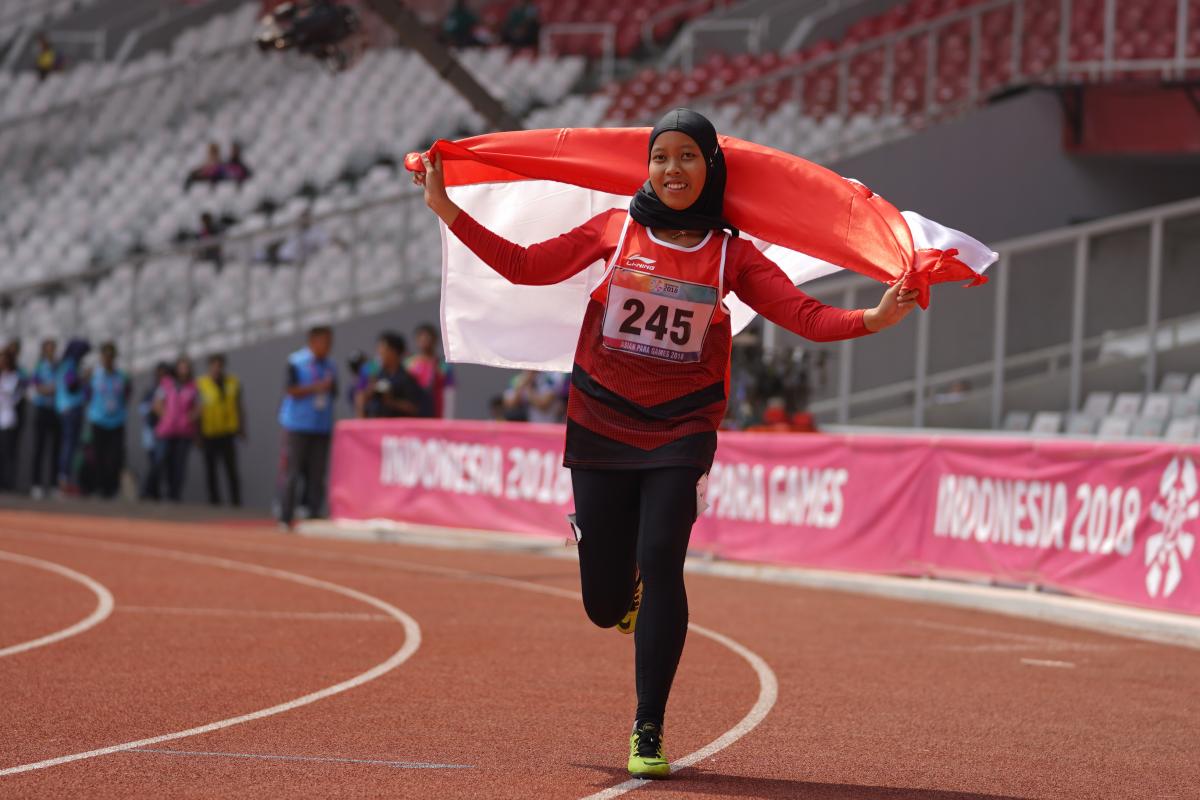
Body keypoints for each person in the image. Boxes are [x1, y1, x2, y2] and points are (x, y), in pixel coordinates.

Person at [414, 108, 919, 779]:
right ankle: (602, 557)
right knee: (603, 606)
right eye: (660, 158)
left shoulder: (732, 252)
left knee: (663, 562)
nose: (672, 170)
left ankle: (647, 725)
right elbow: (528, 267)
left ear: (711, 166)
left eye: (687, 157)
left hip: (682, 426)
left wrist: (873, 316)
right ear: (646, 167)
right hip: (600, 416)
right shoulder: (615, 228)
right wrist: (448, 208)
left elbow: (802, 314)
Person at [278, 325, 338, 528]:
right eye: (324, 341)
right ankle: (285, 516)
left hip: (321, 425)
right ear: (313, 341)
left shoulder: (331, 364)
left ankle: (313, 513)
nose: (328, 346)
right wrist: (315, 388)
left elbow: (334, 392)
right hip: (297, 425)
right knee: (292, 472)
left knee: (317, 473)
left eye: (330, 342)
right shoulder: (296, 361)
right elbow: (290, 389)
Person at [196, 353, 245, 506]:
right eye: (214, 365)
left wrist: (242, 427)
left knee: (231, 469)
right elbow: (197, 410)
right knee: (211, 470)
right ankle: (214, 503)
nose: (217, 368)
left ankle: (236, 502)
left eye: (219, 365)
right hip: (209, 432)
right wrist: (197, 434)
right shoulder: (201, 384)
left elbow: (239, 406)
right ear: (209, 366)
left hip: (228, 432)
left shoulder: (233, 382)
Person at [85, 342, 131, 499]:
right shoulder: (94, 375)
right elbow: (87, 394)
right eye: (105, 356)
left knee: (115, 457)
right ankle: (99, 487)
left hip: (117, 421)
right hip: (98, 420)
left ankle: (112, 489)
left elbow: (127, 394)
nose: (107, 360)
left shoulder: (121, 376)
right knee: (98, 456)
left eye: (110, 356)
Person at [154, 357, 200, 502]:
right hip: (167, 431)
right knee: (161, 460)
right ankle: (153, 491)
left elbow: (199, 407)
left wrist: (190, 417)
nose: (184, 370)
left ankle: (174, 494)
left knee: (179, 465)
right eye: (182, 367)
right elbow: (157, 404)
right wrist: (166, 416)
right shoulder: (166, 384)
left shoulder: (194, 387)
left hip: (184, 432)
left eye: (187, 367)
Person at [358, 332, 429, 418]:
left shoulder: (407, 378)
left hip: (399, 428)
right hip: (378, 426)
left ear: (394, 352)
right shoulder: (377, 376)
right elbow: (363, 402)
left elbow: (414, 408)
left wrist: (391, 402)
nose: (379, 354)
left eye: (383, 349)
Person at [55, 338, 90, 494]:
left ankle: (67, 479)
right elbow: (71, 385)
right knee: (69, 444)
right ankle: (64, 479)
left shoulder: (67, 364)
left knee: (71, 445)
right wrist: (85, 377)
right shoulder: (70, 364)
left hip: (68, 408)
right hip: (71, 408)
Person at [28, 338, 60, 498]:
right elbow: (36, 386)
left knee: (56, 450)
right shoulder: (40, 367)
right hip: (42, 409)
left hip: (56, 410)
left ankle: (54, 485)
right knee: (39, 448)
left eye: (53, 349)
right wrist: (49, 389)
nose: (51, 352)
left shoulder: (59, 367)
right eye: (48, 349)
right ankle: (36, 484)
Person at [405, 323, 454, 418]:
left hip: (437, 408)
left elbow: (449, 391)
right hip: (415, 410)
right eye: (421, 338)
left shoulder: (443, 364)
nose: (424, 341)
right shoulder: (409, 363)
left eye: (428, 338)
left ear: (435, 340)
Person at [138, 362, 171, 500]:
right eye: (159, 373)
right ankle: (148, 492)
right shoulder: (151, 391)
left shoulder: (170, 390)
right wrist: (154, 407)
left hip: (165, 433)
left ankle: (153, 492)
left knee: (161, 463)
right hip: (151, 433)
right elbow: (142, 409)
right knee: (154, 463)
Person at [0, 349, 25, 491]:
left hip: (8, 417)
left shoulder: (15, 377)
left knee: (7, 452)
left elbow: (14, 397)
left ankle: (8, 483)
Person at [503, 370, 568, 423]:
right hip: (530, 428)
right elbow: (510, 404)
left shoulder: (553, 376)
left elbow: (543, 404)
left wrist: (528, 385)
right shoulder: (519, 379)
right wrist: (525, 381)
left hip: (552, 426)